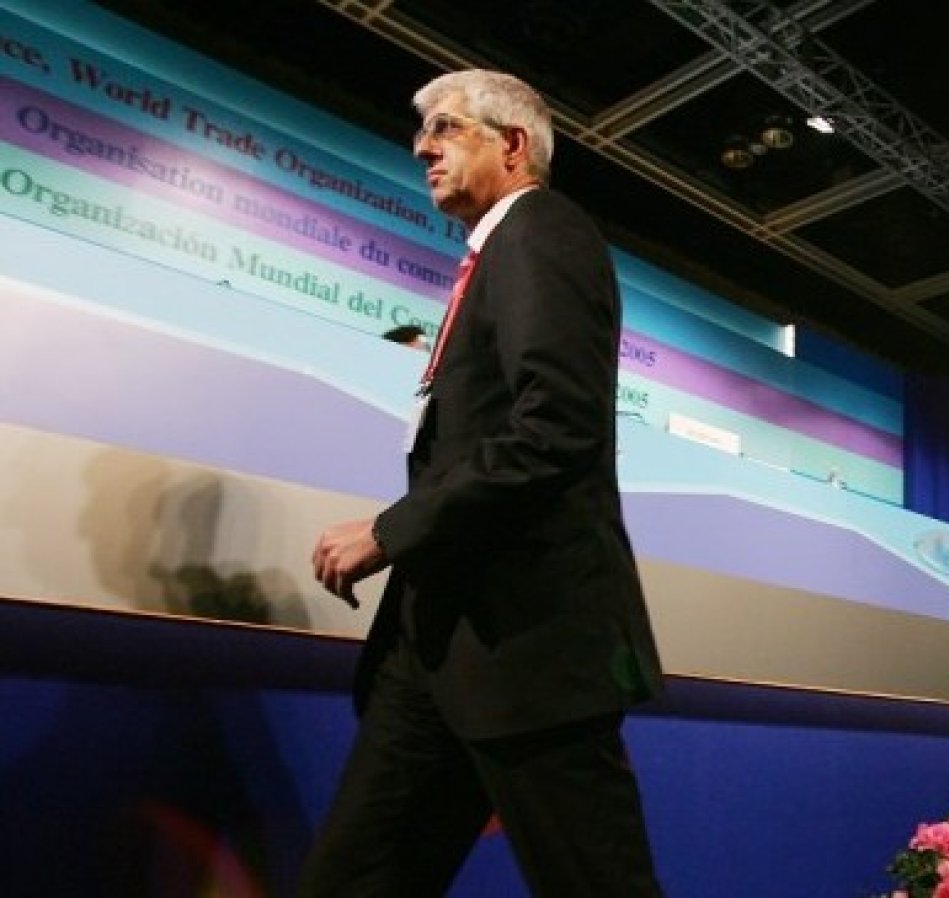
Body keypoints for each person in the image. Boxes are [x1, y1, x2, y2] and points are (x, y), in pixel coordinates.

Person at [303, 70, 666, 897]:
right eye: (421, 131)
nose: (422, 147)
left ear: (513, 144)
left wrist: (389, 532)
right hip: (442, 641)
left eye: (446, 127)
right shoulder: (497, 253)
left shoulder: (541, 231)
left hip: (527, 650)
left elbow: (555, 428)